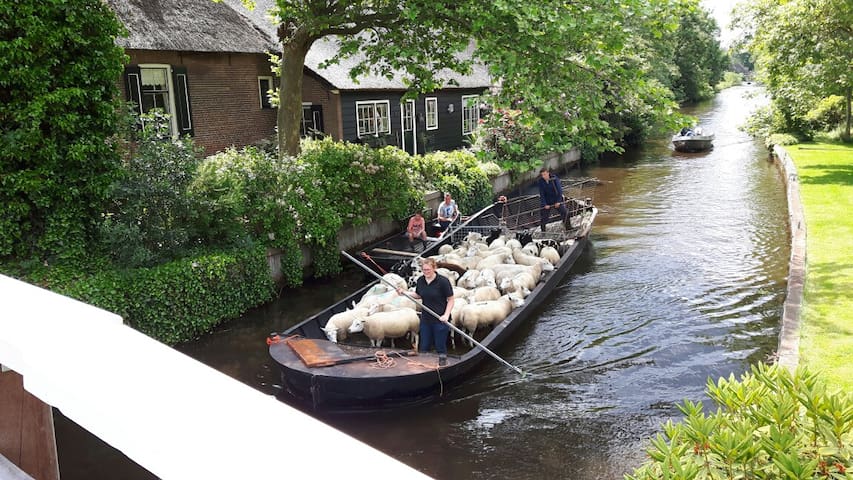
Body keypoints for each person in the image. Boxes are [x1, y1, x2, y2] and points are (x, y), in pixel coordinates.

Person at [398, 258, 454, 366]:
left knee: (440, 346)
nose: (426, 272)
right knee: (424, 345)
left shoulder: (443, 281)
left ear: (434, 268)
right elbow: (419, 295)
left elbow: (451, 299)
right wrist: (405, 293)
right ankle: (424, 366)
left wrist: (446, 315)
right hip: (426, 319)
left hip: (440, 319)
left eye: (428, 270)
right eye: (424, 270)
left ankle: (443, 367)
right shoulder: (421, 280)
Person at [537, 167, 568, 232]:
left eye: (545, 174)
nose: (544, 176)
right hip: (547, 201)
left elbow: (559, 191)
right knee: (543, 217)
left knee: (565, 212)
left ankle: (568, 227)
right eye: (542, 175)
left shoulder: (554, 179)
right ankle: (543, 231)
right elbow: (541, 194)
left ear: (548, 173)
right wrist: (545, 204)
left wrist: (558, 201)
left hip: (556, 199)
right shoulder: (540, 182)